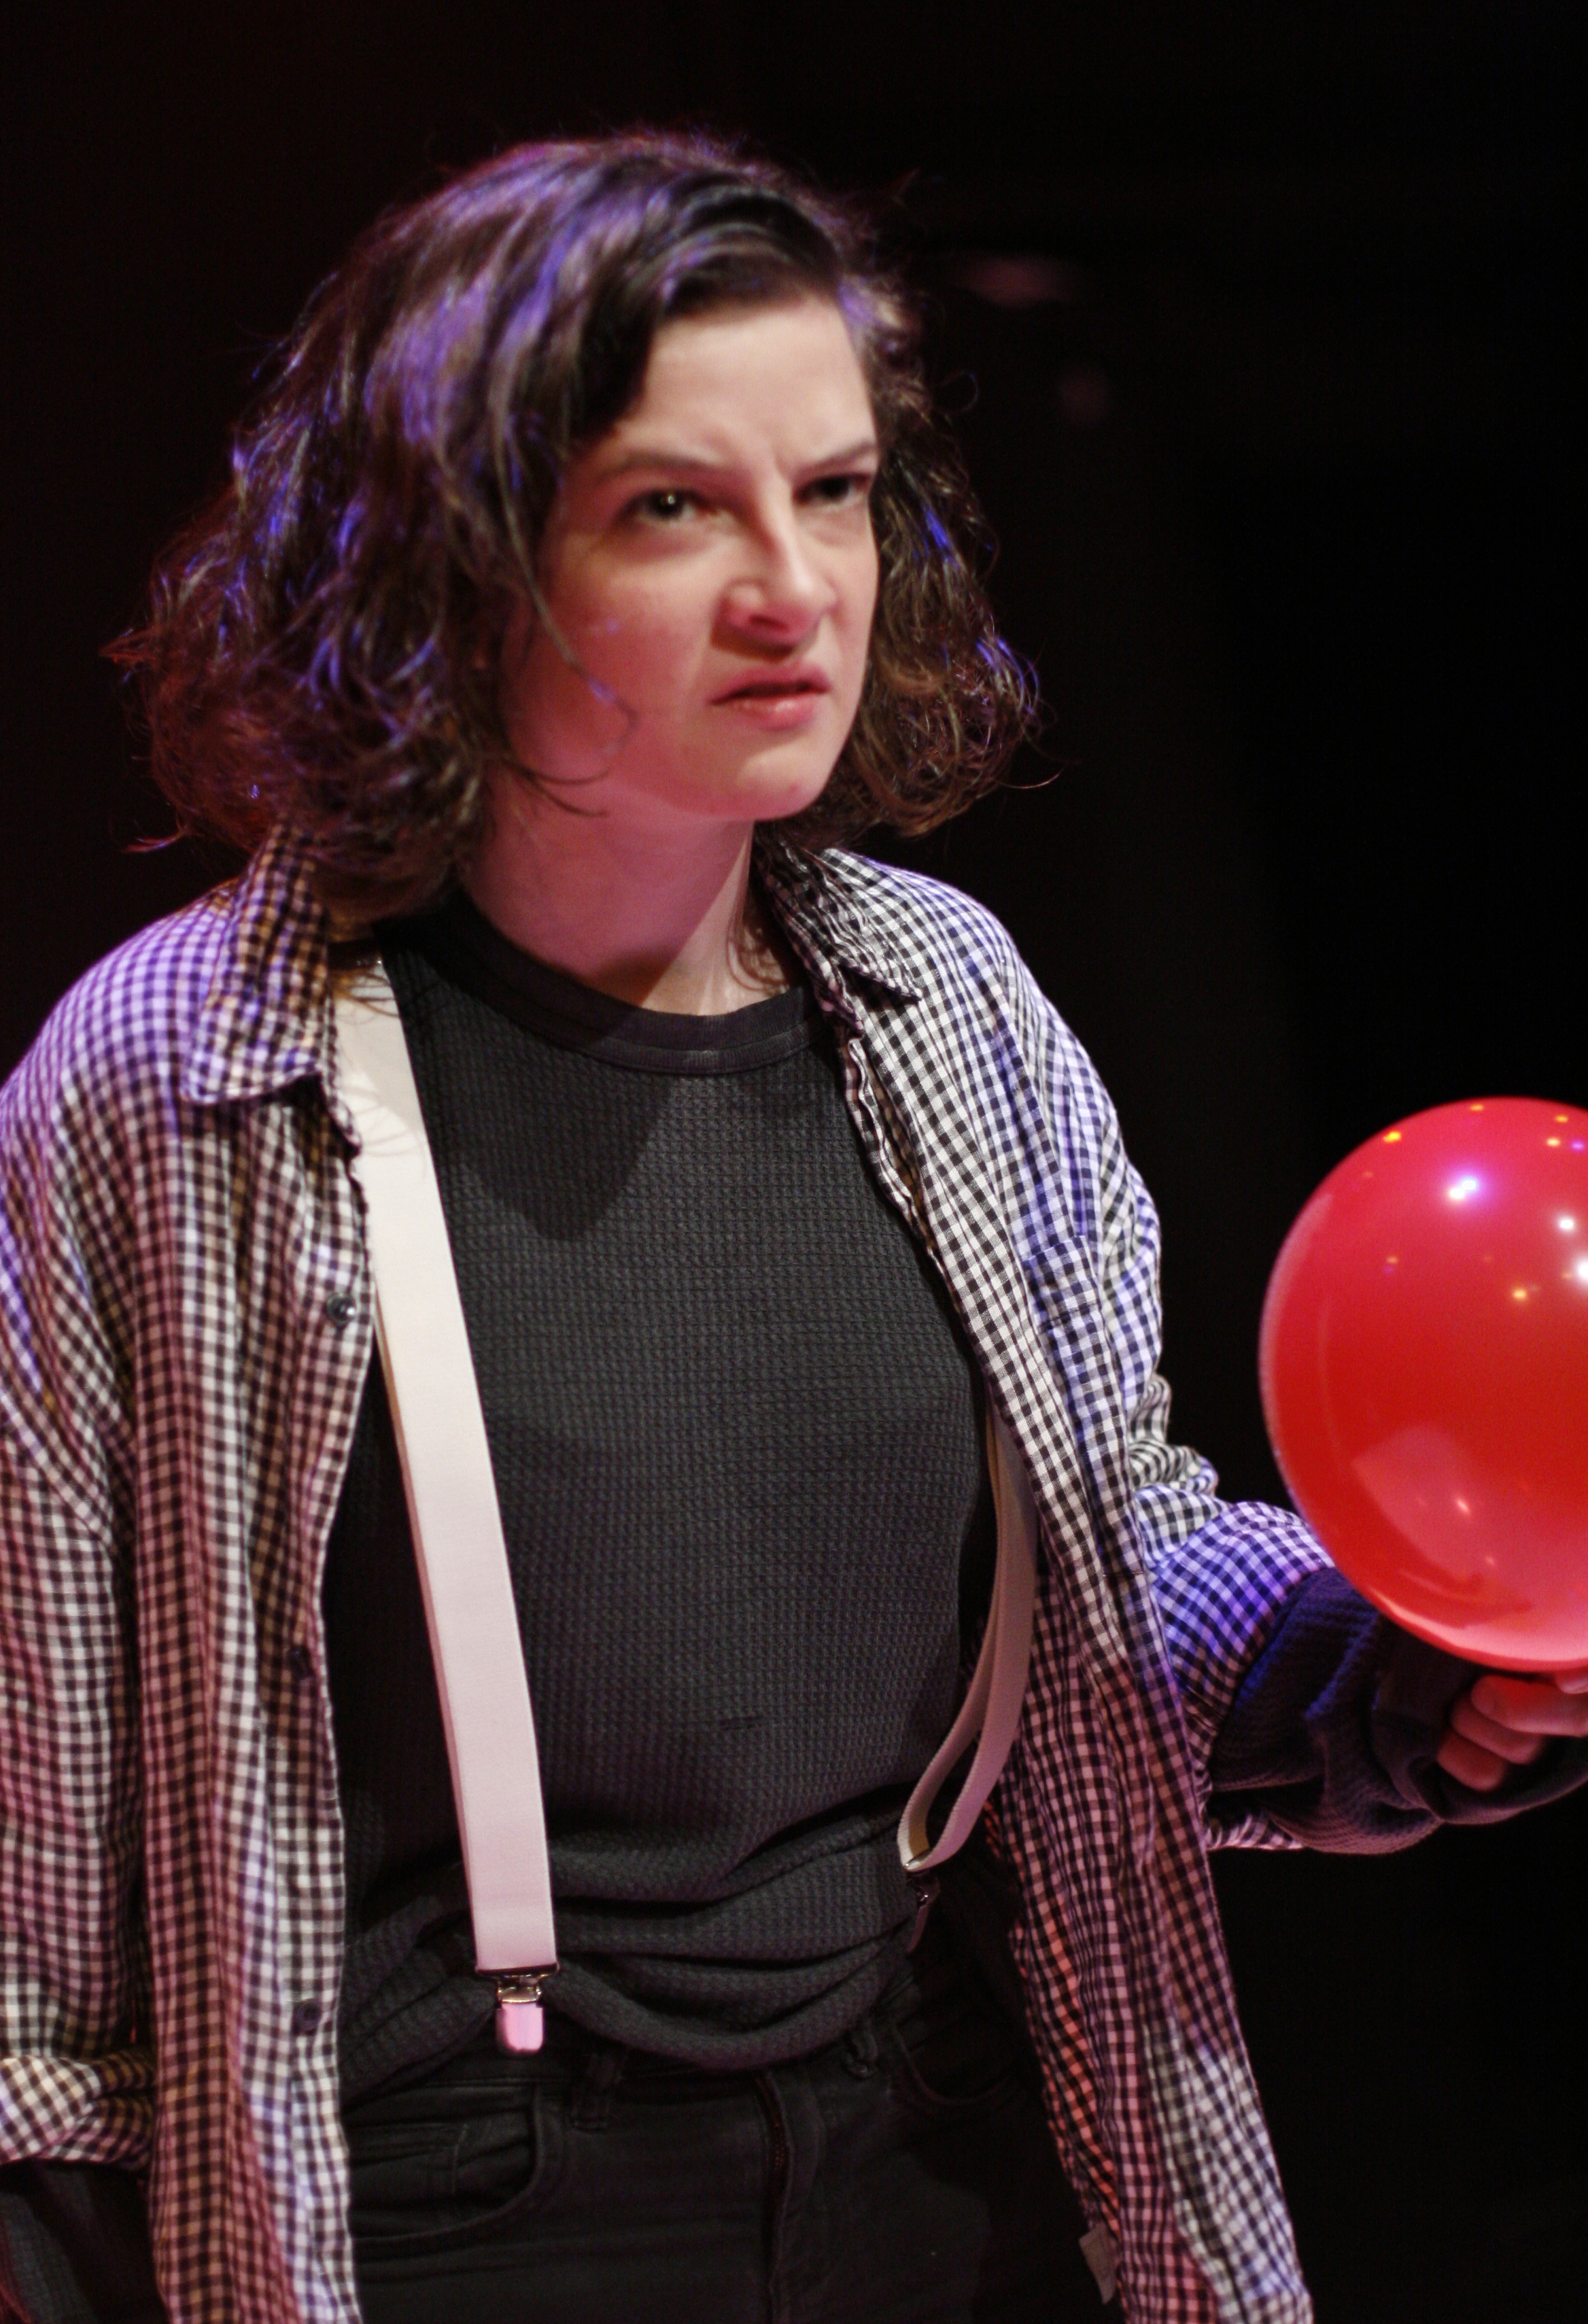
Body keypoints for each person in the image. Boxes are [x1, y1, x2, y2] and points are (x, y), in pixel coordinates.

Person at [2, 132, 1585, 2324]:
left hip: (943, 2157)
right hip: (463, 2212)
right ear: (460, 558)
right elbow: (43, 1800)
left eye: (831, 493)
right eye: (675, 508)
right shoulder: (181, 1076)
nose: (794, 587)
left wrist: (1376, 1668)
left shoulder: (950, 1006)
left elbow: (1107, 1564)